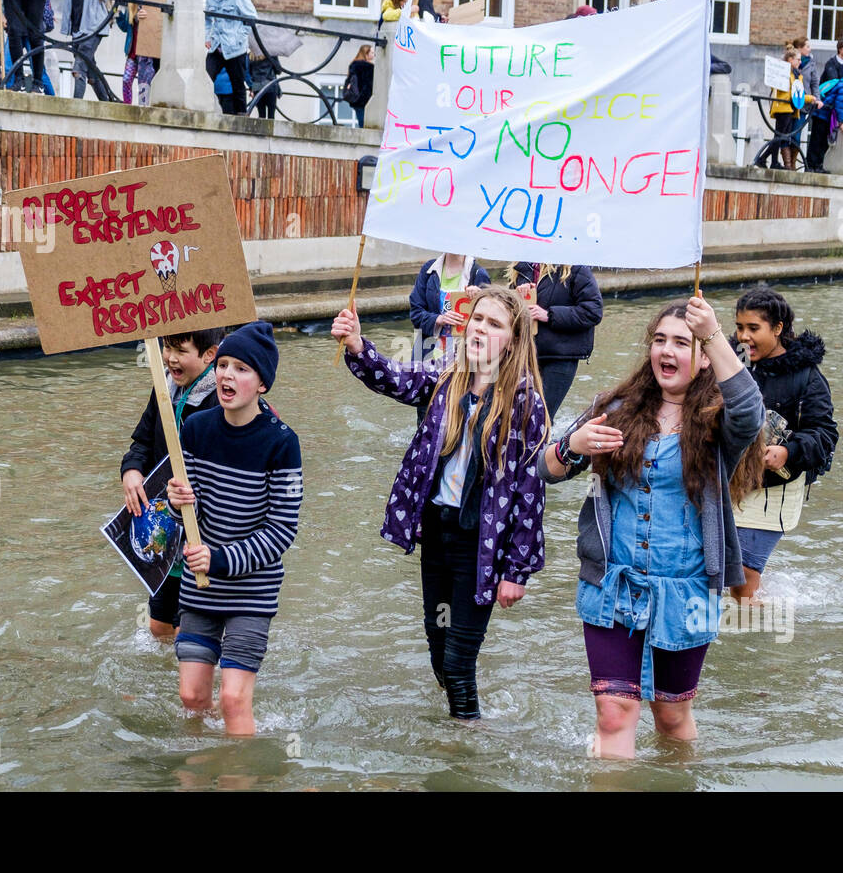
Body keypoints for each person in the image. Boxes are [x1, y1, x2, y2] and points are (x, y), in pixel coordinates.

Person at [538, 296, 765, 755]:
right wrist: (574, 444)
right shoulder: (617, 407)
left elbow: (750, 410)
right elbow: (546, 469)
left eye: (683, 343)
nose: (667, 351)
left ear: (703, 358)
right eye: (659, 340)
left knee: (671, 713)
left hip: (688, 591)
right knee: (614, 711)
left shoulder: (719, 423)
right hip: (612, 585)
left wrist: (714, 333)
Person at [331, 287, 549, 721]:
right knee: (437, 649)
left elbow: (531, 490)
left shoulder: (526, 402)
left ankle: (465, 743)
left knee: (458, 663)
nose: (480, 329)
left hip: (479, 545)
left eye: (494, 324)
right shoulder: (447, 377)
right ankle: (455, 726)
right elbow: (395, 377)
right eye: (478, 319)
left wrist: (517, 571)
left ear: (513, 340)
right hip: (437, 532)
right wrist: (357, 344)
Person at [166, 322, 302, 736]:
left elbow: (282, 530)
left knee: (233, 699)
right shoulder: (196, 429)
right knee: (192, 697)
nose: (227, 374)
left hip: (252, 591)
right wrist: (177, 504)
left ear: (262, 383)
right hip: (201, 584)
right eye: (223, 364)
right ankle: (202, 763)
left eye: (241, 368)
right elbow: (188, 513)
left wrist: (220, 558)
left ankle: (240, 775)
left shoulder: (282, 442)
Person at [728, 287, 837, 601]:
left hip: (775, 486)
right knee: (715, 570)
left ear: (777, 329)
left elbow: (825, 435)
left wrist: (788, 451)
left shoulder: (807, 377)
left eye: (753, 328)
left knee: (743, 578)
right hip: (729, 477)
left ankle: (749, 639)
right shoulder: (732, 363)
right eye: (739, 328)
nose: (743, 337)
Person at [121, 329, 226, 641]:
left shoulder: (221, 400)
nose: (170, 357)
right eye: (166, 347)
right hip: (163, 528)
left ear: (210, 355)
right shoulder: (163, 385)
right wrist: (131, 472)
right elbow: (141, 442)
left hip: (202, 533)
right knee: (159, 627)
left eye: (180, 350)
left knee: (189, 632)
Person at [505, 263, 603, 421]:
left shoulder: (575, 268)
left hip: (560, 357)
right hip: (526, 355)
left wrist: (549, 315)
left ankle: (543, 445)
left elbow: (593, 311)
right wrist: (519, 297)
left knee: (541, 417)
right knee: (518, 416)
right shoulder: (521, 269)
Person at [408, 253, 491, 422]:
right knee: (425, 411)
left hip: (462, 356)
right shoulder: (429, 270)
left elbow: (491, 318)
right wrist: (439, 319)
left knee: (458, 411)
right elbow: (415, 313)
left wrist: (481, 297)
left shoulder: (478, 273)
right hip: (429, 351)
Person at [55, 0, 125, 100]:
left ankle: (75, 103)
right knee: (90, 68)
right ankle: (107, 101)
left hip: (94, 26)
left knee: (79, 65)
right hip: (77, 27)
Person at [204, 0, 256, 115]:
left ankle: (242, 118)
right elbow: (207, 18)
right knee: (204, 78)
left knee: (238, 86)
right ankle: (199, 109)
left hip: (235, 48)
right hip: (216, 47)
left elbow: (252, 17)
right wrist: (208, 37)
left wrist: (239, 38)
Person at [805, 37, 843, 172]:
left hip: (834, 109)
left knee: (826, 139)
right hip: (824, 107)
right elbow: (835, 81)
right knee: (816, 137)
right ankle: (810, 165)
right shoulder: (831, 64)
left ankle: (819, 164)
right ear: (840, 49)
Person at [763, 45, 815, 170]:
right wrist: (810, 98)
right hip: (783, 108)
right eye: (798, 59)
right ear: (790, 60)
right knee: (779, 137)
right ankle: (768, 160)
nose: (800, 62)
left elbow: (798, 94)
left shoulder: (797, 75)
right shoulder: (784, 73)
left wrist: (810, 98)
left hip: (791, 109)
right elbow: (792, 94)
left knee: (780, 137)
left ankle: (769, 161)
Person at [116, 0, 155, 106]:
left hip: (146, 50)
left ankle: (143, 108)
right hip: (133, 50)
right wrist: (118, 16)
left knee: (144, 83)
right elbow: (125, 27)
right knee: (126, 79)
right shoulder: (131, 2)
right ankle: (128, 106)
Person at [346, 43, 374, 127]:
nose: (374, 55)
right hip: (364, 100)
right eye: (372, 53)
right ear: (366, 54)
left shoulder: (353, 65)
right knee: (364, 124)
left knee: (361, 122)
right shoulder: (369, 67)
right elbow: (369, 85)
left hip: (355, 98)